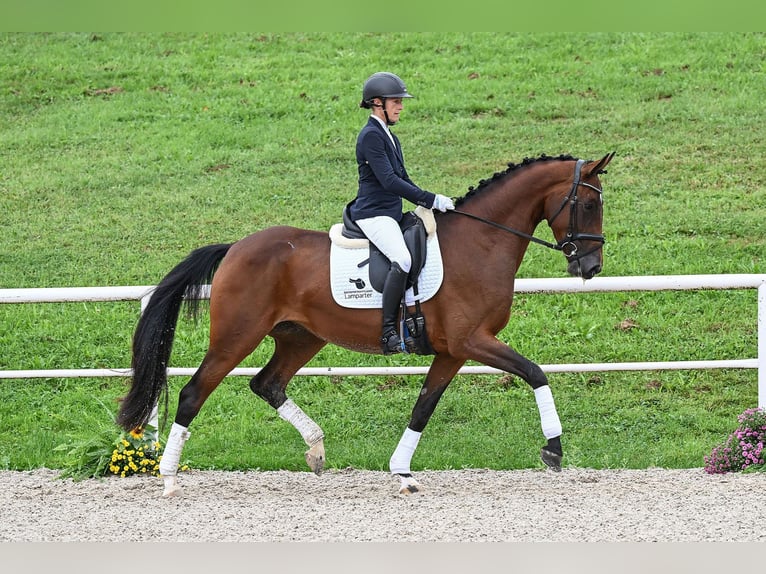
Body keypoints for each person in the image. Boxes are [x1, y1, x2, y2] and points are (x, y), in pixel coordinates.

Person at [347, 71, 455, 355]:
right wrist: (430, 198)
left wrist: (430, 200)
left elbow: (404, 178)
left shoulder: (389, 137)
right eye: (396, 101)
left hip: (391, 211)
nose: (401, 107)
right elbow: (389, 181)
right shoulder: (370, 135)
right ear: (377, 103)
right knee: (403, 259)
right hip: (373, 214)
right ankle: (387, 333)